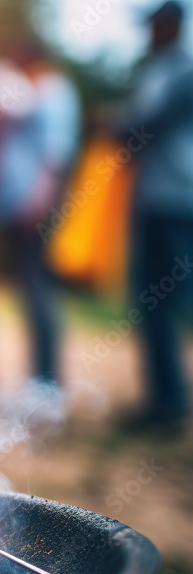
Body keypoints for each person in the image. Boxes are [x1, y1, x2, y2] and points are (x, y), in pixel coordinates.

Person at [0, 38, 82, 383]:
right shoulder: (35, 91)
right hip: (19, 204)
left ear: (29, 56)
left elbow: (54, 155)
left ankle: (47, 382)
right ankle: (41, 378)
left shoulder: (53, 89)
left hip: (34, 205)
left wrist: (39, 201)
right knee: (29, 288)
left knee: (38, 287)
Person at [118, 1, 193, 431]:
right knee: (153, 303)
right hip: (151, 201)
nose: (147, 32)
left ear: (171, 25)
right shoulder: (155, 70)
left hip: (176, 202)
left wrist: (116, 127)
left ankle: (172, 403)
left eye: (153, 25)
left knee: (175, 297)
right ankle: (164, 402)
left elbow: (147, 126)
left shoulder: (184, 71)